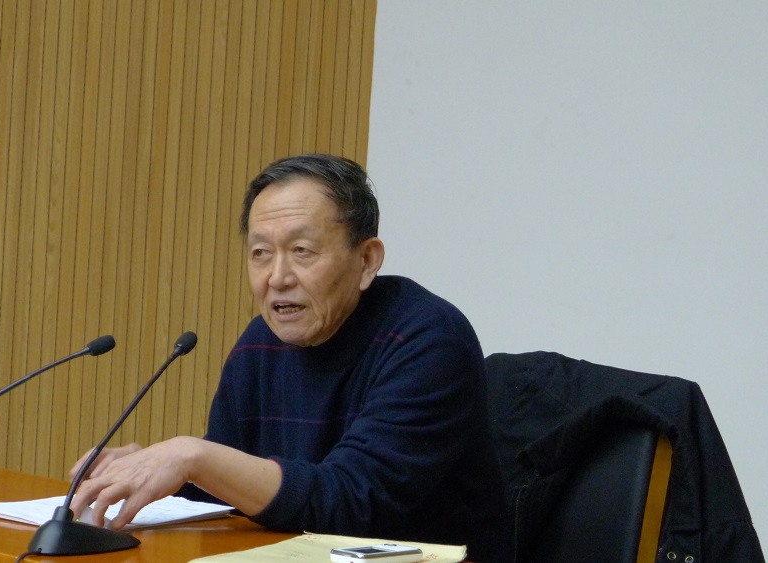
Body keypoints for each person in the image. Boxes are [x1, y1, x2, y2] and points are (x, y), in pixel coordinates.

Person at [69, 153, 507, 560]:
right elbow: (233, 497)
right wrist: (155, 471)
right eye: (260, 254)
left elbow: (352, 505)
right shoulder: (260, 343)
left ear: (367, 260)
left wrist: (193, 457)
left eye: (302, 251)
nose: (277, 278)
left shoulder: (426, 339)